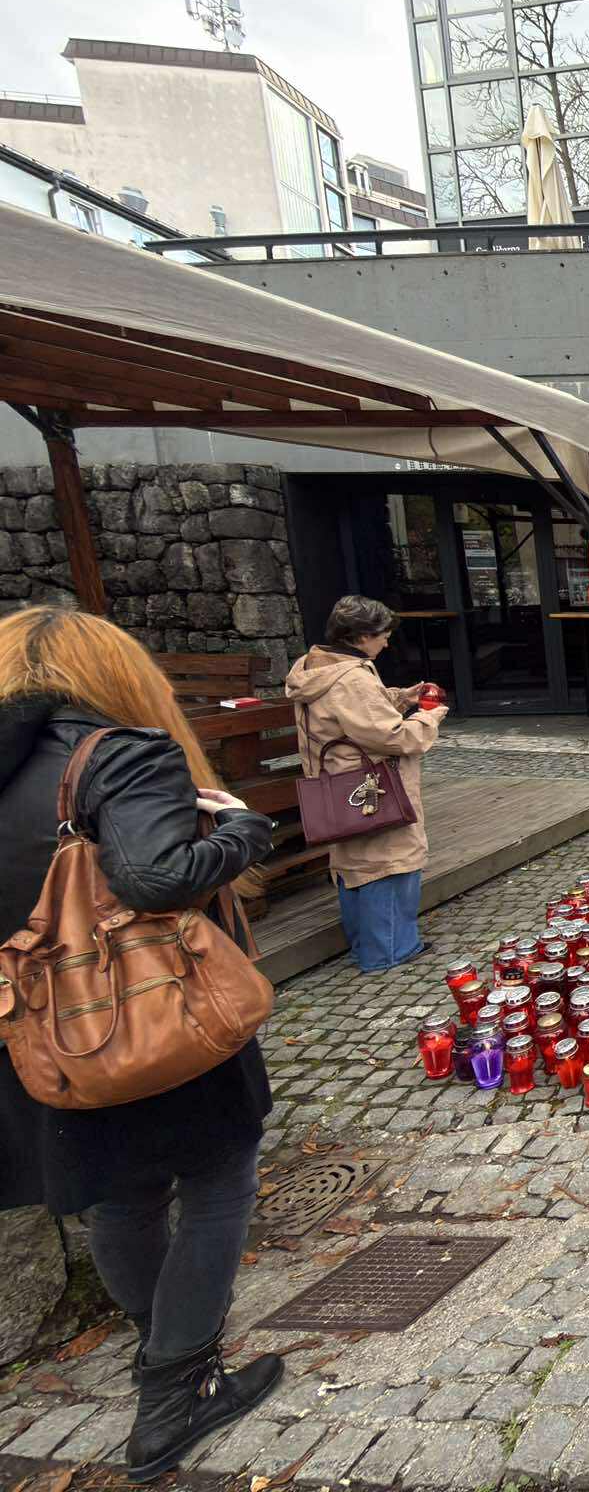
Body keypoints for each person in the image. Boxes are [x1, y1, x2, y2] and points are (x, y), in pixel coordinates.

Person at [0, 607, 284, 1479]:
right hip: (148, 1012)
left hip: (38, 1029)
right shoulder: (119, 752)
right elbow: (157, 879)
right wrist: (241, 831)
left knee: (119, 1194)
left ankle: (159, 1338)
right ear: (117, 674)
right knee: (215, 1179)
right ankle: (175, 1389)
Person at [284, 596, 447, 972]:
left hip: (339, 787)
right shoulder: (352, 678)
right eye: (383, 636)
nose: (386, 643)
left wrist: (397, 697)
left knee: (355, 866)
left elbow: (345, 716)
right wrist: (429, 719)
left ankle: (367, 947)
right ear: (361, 636)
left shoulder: (316, 665)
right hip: (371, 788)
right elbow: (393, 737)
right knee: (388, 865)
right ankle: (391, 950)